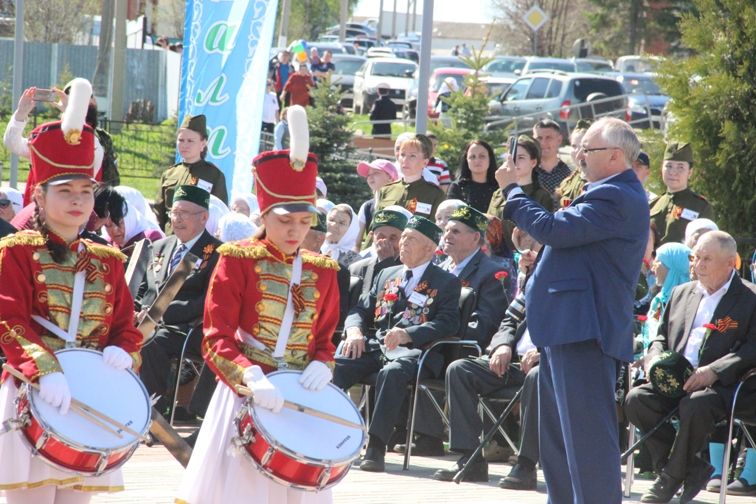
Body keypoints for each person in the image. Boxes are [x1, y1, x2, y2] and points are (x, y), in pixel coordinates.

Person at [175, 120, 340, 503]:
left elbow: (325, 338)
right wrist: (250, 376)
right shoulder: (237, 259)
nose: (295, 230)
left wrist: (323, 363)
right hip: (245, 391)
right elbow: (216, 338)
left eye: (304, 221)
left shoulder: (323, 271)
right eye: (285, 220)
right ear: (264, 216)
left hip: (299, 396)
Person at [0, 77, 143, 504]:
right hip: (33, 390)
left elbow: (124, 325)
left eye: (86, 191)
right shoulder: (16, 252)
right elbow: (9, 320)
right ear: (39, 197)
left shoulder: (109, 260)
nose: (79, 201)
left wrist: (125, 349)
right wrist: (45, 369)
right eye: (66, 192)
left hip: (88, 396)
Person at [495, 117, 650, 503]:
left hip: (585, 330)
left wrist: (513, 191)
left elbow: (554, 229)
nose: (579, 155)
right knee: (559, 443)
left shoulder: (616, 194)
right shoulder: (606, 191)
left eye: (588, 149)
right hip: (567, 327)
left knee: (585, 442)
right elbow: (569, 243)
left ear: (616, 156)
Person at [624, 231, 756, 504]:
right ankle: (689, 469)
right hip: (677, 378)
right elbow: (660, 336)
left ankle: (669, 481)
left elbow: (752, 348)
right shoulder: (681, 292)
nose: (698, 265)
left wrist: (714, 371)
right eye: (695, 258)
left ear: (730, 263)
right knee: (637, 399)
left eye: (707, 259)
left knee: (695, 404)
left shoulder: (749, 298)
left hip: (725, 385)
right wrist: (653, 357)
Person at [334, 216, 461, 472]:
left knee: (391, 374)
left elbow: (448, 323)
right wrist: (355, 330)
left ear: (429, 249)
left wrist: (409, 333)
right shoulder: (387, 273)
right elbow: (360, 309)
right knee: (339, 364)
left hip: (418, 353)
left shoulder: (446, 282)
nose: (402, 243)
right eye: (402, 238)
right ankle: (324, 432)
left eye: (410, 239)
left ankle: (376, 447)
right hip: (378, 347)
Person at [433, 232, 543, 487]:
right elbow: (509, 319)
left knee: (538, 377)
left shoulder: (570, 285)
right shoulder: (534, 280)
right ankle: (470, 459)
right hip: (513, 361)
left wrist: (545, 352)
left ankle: (526, 465)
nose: (531, 253)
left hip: (547, 363)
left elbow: (575, 330)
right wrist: (502, 345)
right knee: (460, 369)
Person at [136, 185, 222, 416]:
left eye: (184, 213)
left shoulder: (217, 254)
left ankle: (152, 412)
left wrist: (162, 313)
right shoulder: (160, 246)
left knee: (154, 342)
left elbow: (209, 300)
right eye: (174, 212)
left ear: (204, 217)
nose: (177, 219)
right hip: (145, 321)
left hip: (186, 328)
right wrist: (138, 311)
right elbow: (142, 289)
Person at [4, 86, 105, 206]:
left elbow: (11, 142)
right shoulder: (47, 143)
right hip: (43, 214)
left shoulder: (91, 147)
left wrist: (72, 113)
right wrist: (21, 113)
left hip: (67, 213)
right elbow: (12, 143)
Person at [439, 205, 508, 346]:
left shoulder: (492, 273)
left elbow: (483, 328)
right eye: (446, 230)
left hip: (455, 350)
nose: (447, 236)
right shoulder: (439, 270)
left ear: (476, 237)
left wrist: (436, 334)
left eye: (455, 231)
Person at [154, 114, 228, 233]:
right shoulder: (169, 174)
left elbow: (220, 214)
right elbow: (159, 213)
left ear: (203, 143)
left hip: (197, 243)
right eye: (181, 140)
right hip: (169, 239)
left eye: (190, 141)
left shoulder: (214, 175)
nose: (185, 145)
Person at [489, 135, 553, 253]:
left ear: (533, 162)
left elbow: (544, 235)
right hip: (498, 258)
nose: (514, 162)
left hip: (528, 256)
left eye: (521, 157)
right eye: (511, 157)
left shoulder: (542, 196)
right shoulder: (498, 194)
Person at [649, 142, 714, 247]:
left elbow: (705, 245)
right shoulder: (652, 205)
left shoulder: (701, 206)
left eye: (680, 167)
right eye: (669, 166)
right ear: (661, 169)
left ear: (690, 172)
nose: (673, 172)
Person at [377, 134, 446, 220]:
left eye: (412, 156)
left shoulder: (435, 194)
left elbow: (435, 229)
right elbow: (376, 225)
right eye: (402, 154)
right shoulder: (386, 190)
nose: (405, 160)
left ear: (425, 162)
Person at [350, 208, 408, 299]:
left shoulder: (408, 271)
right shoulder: (356, 269)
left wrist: (387, 262)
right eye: (381, 237)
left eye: (393, 238)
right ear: (372, 237)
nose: (386, 242)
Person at [354, 159, 399, 249]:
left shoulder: (399, 203)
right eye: (368, 174)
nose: (370, 177)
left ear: (390, 177)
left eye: (376, 173)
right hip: (372, 258)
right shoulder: (367, 207)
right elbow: (356, 243)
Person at [447, 140, 499, 213]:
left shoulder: (499, 188)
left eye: (482, 156)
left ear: (490, 159)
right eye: (472, 157)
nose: (477, 160)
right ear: (466, 160)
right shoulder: (457, 187)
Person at [532, 119, 572, 201]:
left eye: (548, 138)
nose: (543, 143)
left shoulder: (570, 173)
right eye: (539, 138)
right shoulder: (527, 173)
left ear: (559, 140)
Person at [555, 121, 591, 208]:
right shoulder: (568, 182)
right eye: (574, 146)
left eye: (584, 147)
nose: (578, 152)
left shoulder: (603, 181)